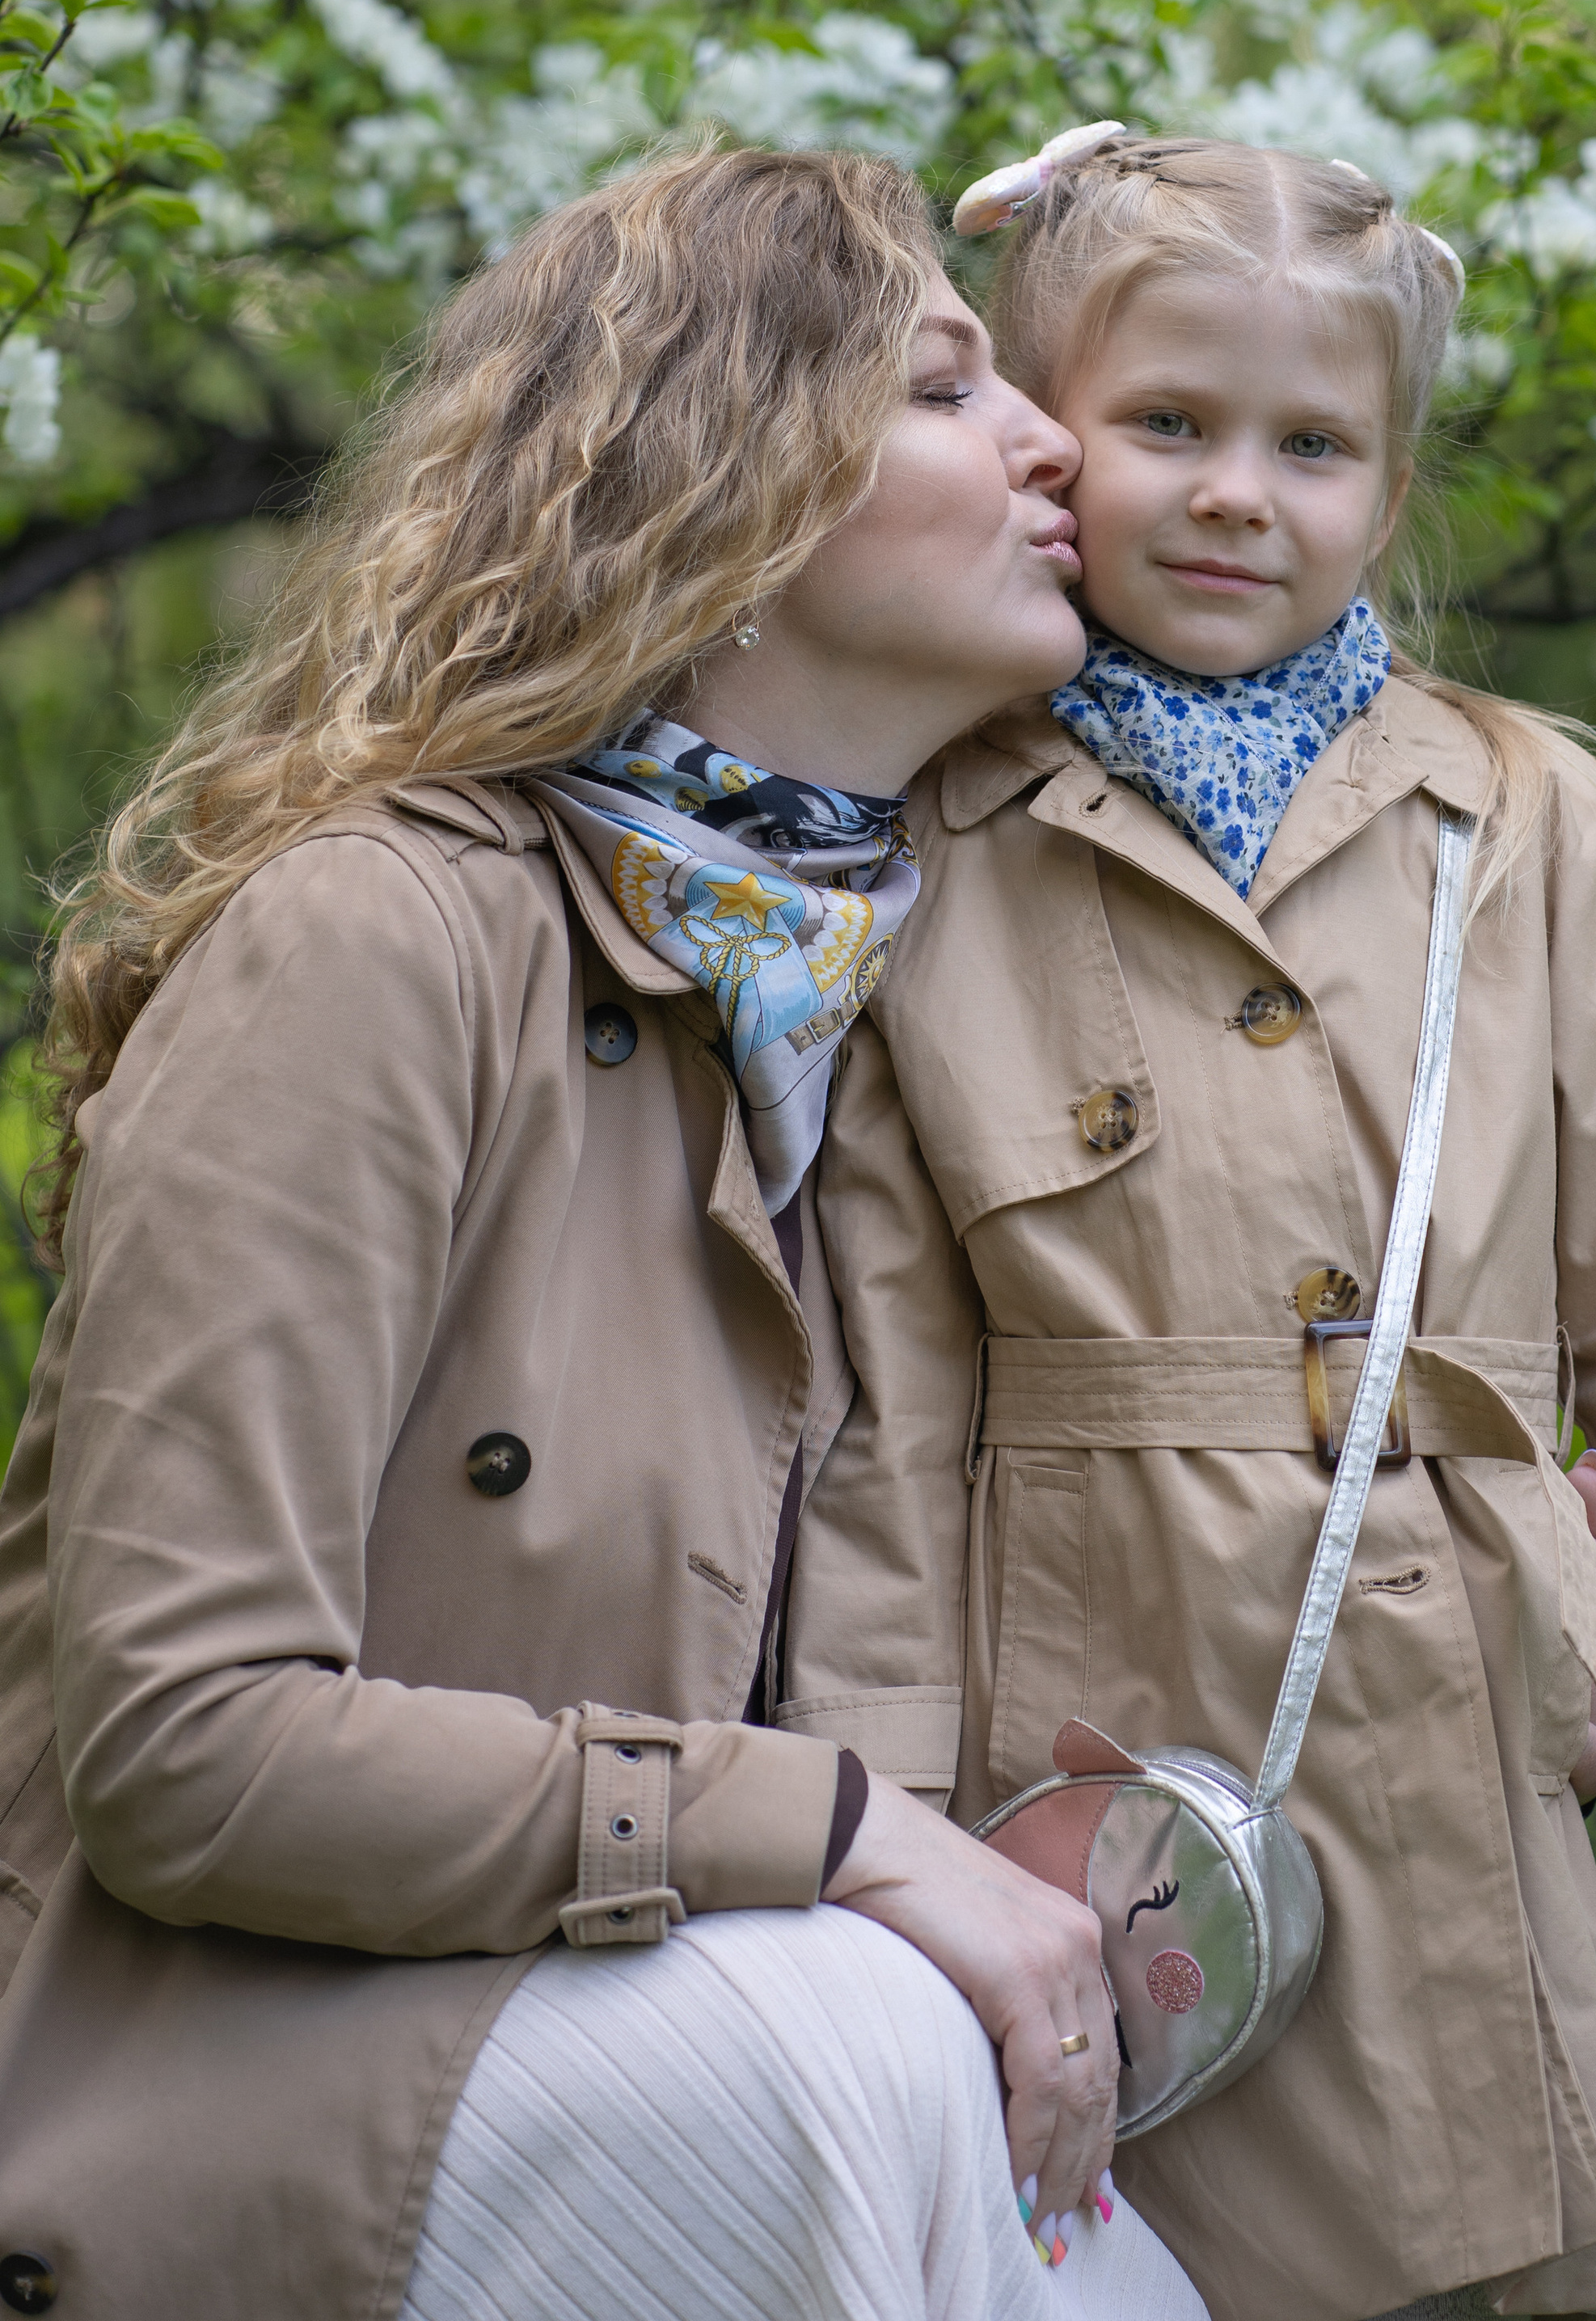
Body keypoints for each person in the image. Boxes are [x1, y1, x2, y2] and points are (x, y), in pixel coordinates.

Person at [0, 145, 1214, 2321]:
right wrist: (836, 1830)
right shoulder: (380, 937)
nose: (1059, 445)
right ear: (727, 488)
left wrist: (1523, 1595)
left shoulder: (873, 1009)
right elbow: (191, 1752)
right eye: (949, 389)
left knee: (1095, 2233)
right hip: (216, 2074)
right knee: (860, 2056)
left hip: (612, 2014)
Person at [779, 129, 1596, 2321]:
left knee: (1483, 2244)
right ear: (1049, 438)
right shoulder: (936, 823)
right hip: (1093, 1735)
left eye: (1313, 445)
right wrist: (879, 1818)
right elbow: (884, 1383)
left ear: (1392, 479)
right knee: (1114, 2249)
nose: (1236, 494)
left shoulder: (1521, 811)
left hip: (1454, 1679)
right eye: (1168, 423)